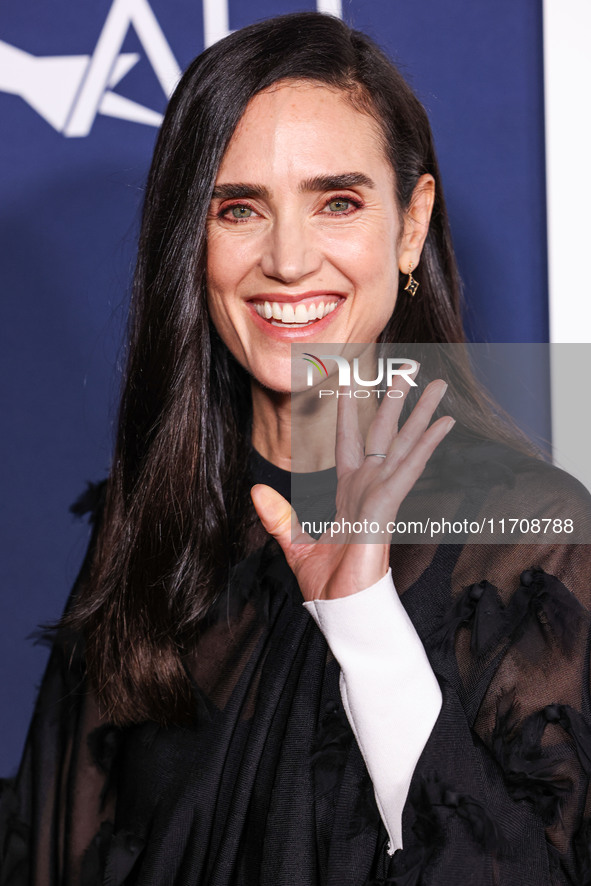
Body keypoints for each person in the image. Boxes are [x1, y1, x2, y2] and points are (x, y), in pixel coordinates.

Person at [1, 11, 591, 886]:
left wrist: (364, 624)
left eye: (337, 202)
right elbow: (48, 849)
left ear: (409, 224)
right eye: (239, 209)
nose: (286, 259)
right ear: (191, 245)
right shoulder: (155, 526)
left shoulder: (532, 539)